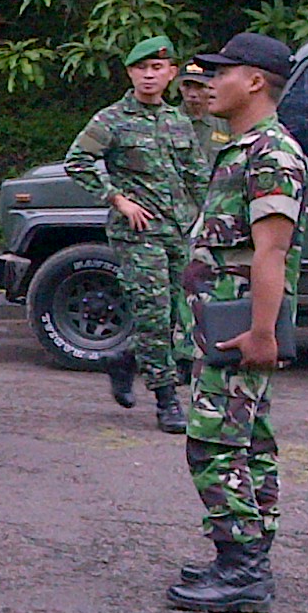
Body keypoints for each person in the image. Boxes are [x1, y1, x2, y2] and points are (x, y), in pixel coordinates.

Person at [169, 32, 305, 613]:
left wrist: (262, 333)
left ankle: (244, 569)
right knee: (247, 442)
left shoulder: (270, 153)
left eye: (222, 72)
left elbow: (271, 252)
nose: (209, 82)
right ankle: (241, 559)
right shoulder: (244, 148)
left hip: (239, 326)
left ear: (254, 81)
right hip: (224, 323)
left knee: (215, 443)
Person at [63, 36, 212, 430]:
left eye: (157, 69)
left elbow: (197, 174)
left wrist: (208, 217)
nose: (149, 75)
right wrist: (117, 199)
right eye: (142, 68)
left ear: (171, 74)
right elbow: (77, 162)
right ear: (130, 73)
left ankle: (125, 358)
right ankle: (166, 401)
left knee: (176, 315)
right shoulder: (111, 119)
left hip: (178, 230)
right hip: (138, 232)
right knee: (151, 310)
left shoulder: (178, 121)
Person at [178, 61, 230, 151]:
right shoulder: (168, 120)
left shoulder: (226, 123)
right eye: (187, 86)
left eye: (200, 87)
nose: (192, 94)